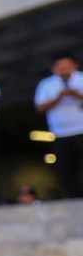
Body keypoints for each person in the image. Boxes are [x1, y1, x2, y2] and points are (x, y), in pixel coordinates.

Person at [34, 54, 83, 199]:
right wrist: (58, 97)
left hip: (81, 129)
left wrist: (77, 95)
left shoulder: (81, 79)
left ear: (74, 65)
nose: (63, 69)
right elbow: (39, 107)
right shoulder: (46, 84)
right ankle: (75, 199)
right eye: (60, 66)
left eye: (66, 66)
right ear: (53, 69)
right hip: (60, 133)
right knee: (65, 170)